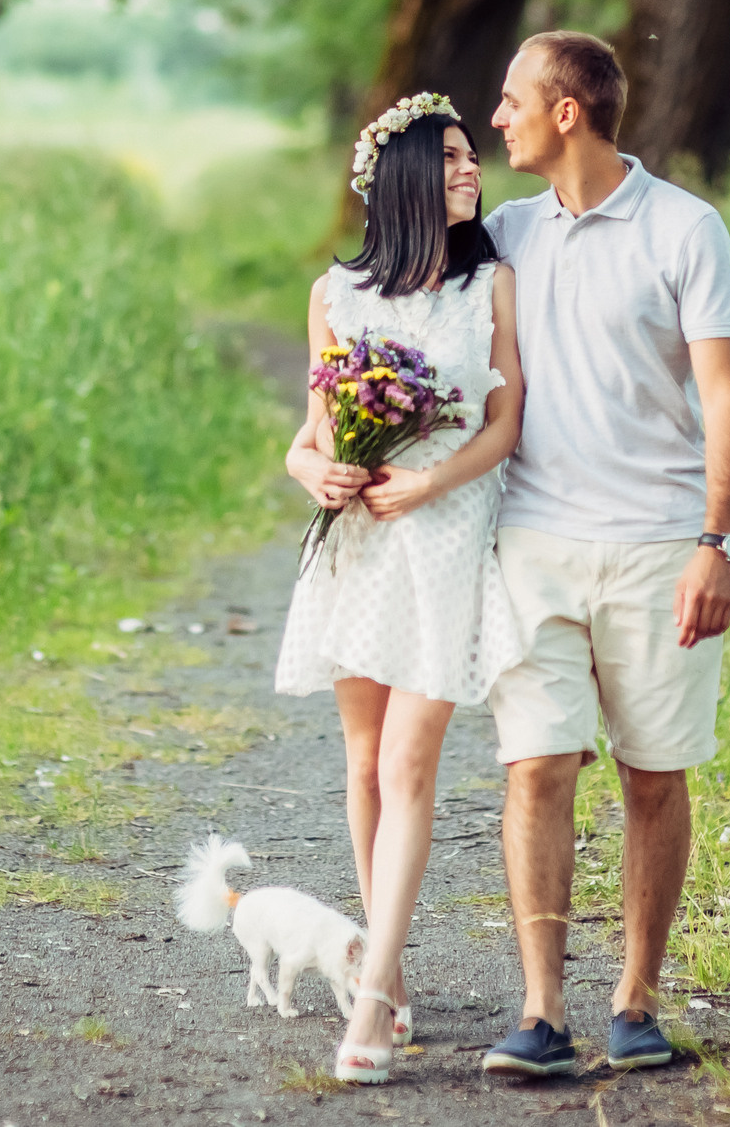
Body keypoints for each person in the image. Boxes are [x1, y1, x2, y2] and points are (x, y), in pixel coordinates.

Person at [474, 31, 730, 1080]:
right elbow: (392, 270)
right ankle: (541, 1010)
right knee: (536, 764)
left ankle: (634, 998)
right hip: (531, 542)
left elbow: (725, 394)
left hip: (655, 545)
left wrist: (714, 543)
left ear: (565, 112)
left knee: (651, 774)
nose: (494, 116)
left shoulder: (686, 227)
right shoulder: (503, 232)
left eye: (510, 100)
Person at [278, 93, 528, 1086]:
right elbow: (305, 436)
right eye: (458, 158)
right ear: (413, 178)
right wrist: (321, 474)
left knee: (410, 763)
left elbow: (504, 427)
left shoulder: (490, 289)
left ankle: (374, 989)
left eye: (474, 155)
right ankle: (389, 959)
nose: (474, 171)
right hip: (358, 544)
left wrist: (430, 478)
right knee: (364, 759)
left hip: (446, 529)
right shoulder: (334, 293)